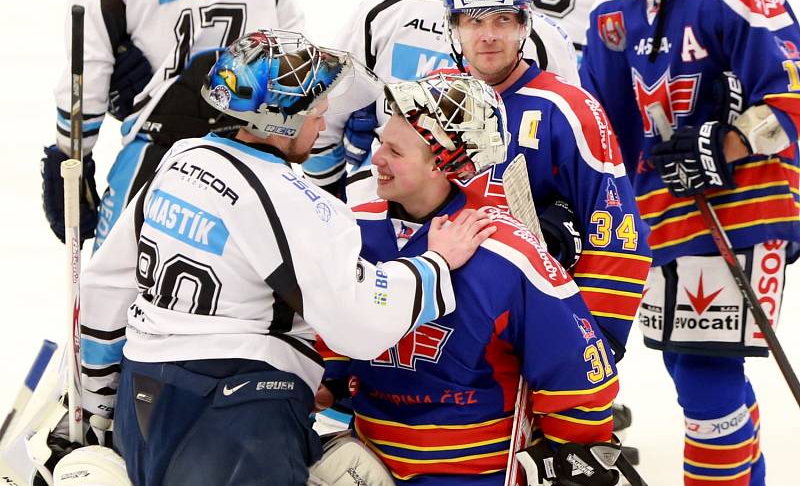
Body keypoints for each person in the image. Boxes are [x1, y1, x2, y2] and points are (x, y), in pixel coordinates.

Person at [34, 31, 497, 486]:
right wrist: (434, 264)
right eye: (316, 112)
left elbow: (104, 291)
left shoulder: (181, 160)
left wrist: (96, 406)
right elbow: (359, 322)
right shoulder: (300, 203)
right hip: (237, 417)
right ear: (282, 121)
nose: (321, 126)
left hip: (144, 403)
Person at [315, 73, 626, 486]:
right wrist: (321, 383)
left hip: (477, 474)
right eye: (380, 144)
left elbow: (577, 375)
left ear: (441, 163)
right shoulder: (352, 231)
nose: (377, 159)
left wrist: (572, 450)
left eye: (394, 150)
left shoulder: (508, 254)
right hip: (369, 467)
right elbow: (327, 347)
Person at [580, 0, 800, 484]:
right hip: (661, 210)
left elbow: (792, 96)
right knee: (687, 367)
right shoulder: (612, 11)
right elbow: (602, 123)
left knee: (706, 372)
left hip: (748, 202)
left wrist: (728, 141)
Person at [441, 0, 651, 360]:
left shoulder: (570, 109)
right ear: (455, 29)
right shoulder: (430, 102)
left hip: (541, 315)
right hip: (450, 317)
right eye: (473, 21)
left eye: (502, 20)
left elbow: (618, 229)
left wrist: (593, 337)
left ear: (524, 26)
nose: (488, 36)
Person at [42, 0, 304, 251]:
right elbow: (296, 71)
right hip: (256, 152)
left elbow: (83, 99)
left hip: (157, 156)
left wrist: (69, 163)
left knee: (109, 288)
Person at [301, 0, 581, 203]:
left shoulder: (390, 7)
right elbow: (320, 120)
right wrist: (331, 211)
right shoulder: (546, 37)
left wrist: (330, 204)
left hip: (475, 225)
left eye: (501, 20)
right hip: (397, 217)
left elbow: (320, 127)